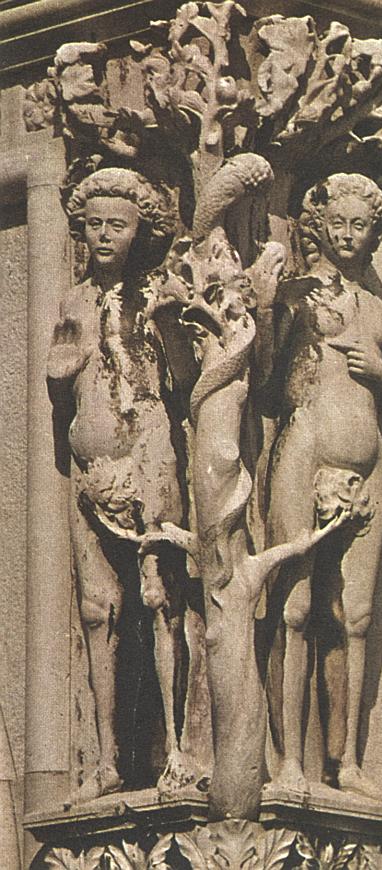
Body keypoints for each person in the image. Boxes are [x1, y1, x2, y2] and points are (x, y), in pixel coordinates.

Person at [48, 167, 201, 799]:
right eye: (94, 225)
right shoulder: (74, 300)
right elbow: (65, 396)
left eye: (118, 224)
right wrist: (60, 377)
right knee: (97, 608)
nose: (105, 235)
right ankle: (108, 759)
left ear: (140, 231)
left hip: (150, 456)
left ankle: (177, 747)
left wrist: (171, 329)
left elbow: (186, 382)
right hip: (91, 473)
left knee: (160, 599)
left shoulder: (157, 289)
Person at [262, 173, 382, 799]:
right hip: (305, 452)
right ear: (319, 227)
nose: (348, 236)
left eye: (360, 226)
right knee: (295, 610)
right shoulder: (301, 293)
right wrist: (268, 307)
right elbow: (268, 377)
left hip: (365, 466)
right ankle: (290, 759)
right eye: (338, 224)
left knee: (357, 615)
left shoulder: (375, 305)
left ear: (373, 233)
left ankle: (346, 762)